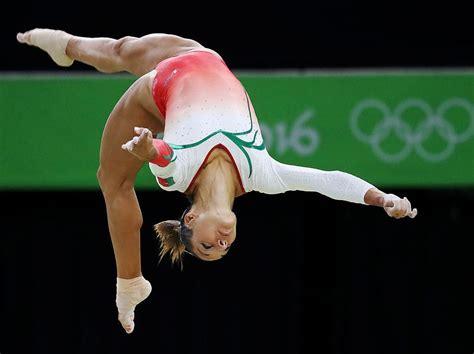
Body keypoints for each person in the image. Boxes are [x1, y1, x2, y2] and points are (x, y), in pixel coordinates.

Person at [16, 28, 418, 334]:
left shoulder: (175, 178)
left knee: (112, 180)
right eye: (225, 248)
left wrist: (146, 148)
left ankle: (129, 282)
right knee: (120, 49)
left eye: (209, 246)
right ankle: (64, 44)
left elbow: (163, 155)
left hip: (153, 93)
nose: (222, 242)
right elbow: (327, 181)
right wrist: (382, 198)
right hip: (198, 57)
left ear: (189, 221)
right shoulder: (263, 174)